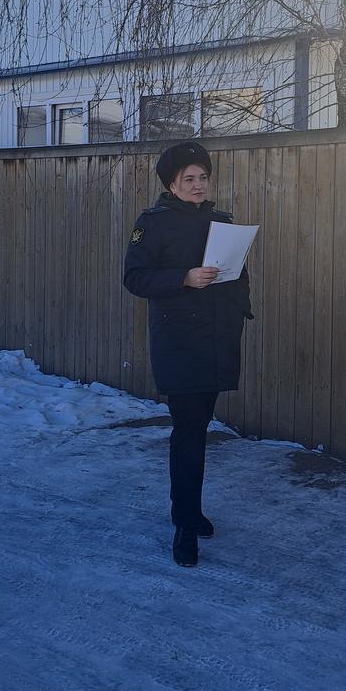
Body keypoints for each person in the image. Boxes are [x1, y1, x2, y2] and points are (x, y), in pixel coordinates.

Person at [122, 141, 252, 568]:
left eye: (203, 177)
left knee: (200, 427)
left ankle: (191, 512)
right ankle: (184, 523)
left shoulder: (221, 222)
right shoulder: (152, 223)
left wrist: (237, 306)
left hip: (216, 339)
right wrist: (184, 277)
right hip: (178, 342)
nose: (198, 185)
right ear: (172, 184)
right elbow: (135, 278)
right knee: (188, 432)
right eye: (188, 178)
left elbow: (238, 276)